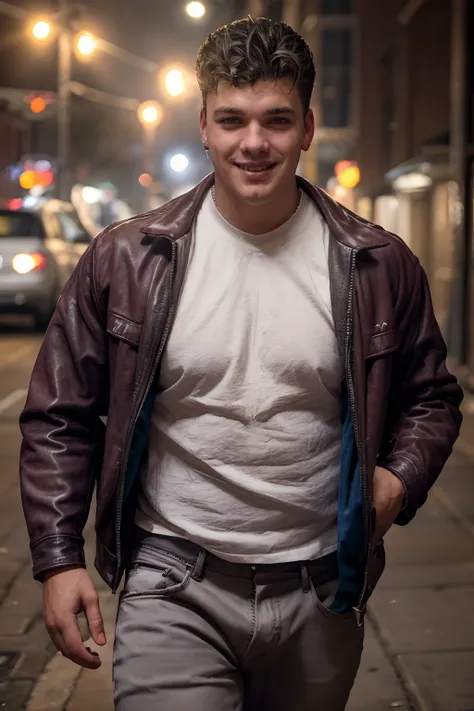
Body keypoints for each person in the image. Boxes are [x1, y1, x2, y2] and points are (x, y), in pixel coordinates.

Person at [19, 16, 463, 711]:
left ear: (308, 127)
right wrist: (59, 557)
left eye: (276, 120)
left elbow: (433, 398)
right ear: (203, 124)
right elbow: (59, 414)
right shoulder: (128, 257)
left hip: (321, 587)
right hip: (173, 581)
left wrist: (396, 480)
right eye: (232, 119)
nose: (253, 142)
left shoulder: (376, 264)